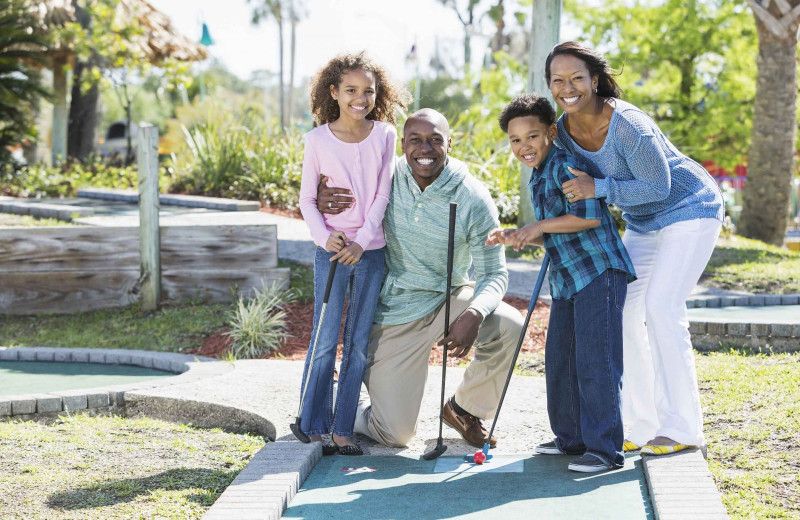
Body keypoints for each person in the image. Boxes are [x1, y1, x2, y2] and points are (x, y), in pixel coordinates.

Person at [545, 41, 724, 455]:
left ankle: (682, 428)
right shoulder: (565, 131)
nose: (567, 88)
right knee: (623, 312)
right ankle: (641, 424)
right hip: (644, 223)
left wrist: (600, 187)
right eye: (558, 80)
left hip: (689, 208)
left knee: (663, 309)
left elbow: (658, 186)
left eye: (576, 78)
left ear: (594, 80)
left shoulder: (628, 124)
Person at [317, 109, 524, 449]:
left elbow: (494, 272)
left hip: (448, 297)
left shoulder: (472, 197)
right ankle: (344, 401)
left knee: (509, 325)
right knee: (395, 434)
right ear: (402, 144)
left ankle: (464, 410)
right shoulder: (382, 179)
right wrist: (326, 202)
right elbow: (339, 203)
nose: (424, 149)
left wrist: (473, 313)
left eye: (435, 140)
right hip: (393, 312)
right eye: (415, 140)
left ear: (450, 144)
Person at [486, 94, 636, 472]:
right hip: (569, 278)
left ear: (551, 132)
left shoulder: (566, 164)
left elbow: (586, 218)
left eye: (532, 136)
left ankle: (604, 451)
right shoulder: (539, 173)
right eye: (516, 140)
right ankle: (571, 439)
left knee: (595, 362)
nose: (524, 146)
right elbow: (554, 232)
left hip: (598, 273)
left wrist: (536, 226)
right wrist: (517, 235)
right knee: (561, 360)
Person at [297, 52, 408, 456]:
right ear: (334, 92)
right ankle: (313, 425)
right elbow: (307, 200)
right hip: (331, 253)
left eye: (368, 91)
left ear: (378, 95)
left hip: (370, 252)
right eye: (350, 91)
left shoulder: (386, 135)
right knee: (325, 341)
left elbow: (383, 193)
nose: (360, 98)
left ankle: (343, 428)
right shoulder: (316, 140)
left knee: (358, 343)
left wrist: (362, 240)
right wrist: (325, 237)